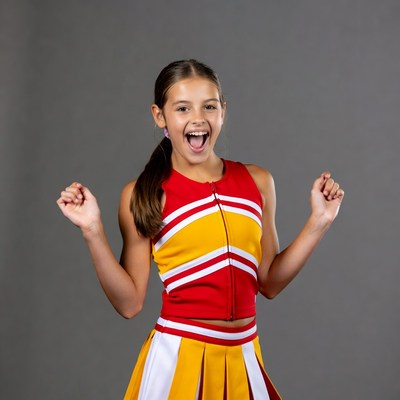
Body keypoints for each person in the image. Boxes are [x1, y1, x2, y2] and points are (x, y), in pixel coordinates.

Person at [57, 59, 344, 400]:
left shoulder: (258, 181)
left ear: (223, 111)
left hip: (243, 359)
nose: (198, 118)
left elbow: (268, 282)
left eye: (209, 106)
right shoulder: (142, 195)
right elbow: (130, 303)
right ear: (159, 116)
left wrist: (319, 221)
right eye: (182, 108)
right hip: (178, 362)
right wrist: (92, 231)